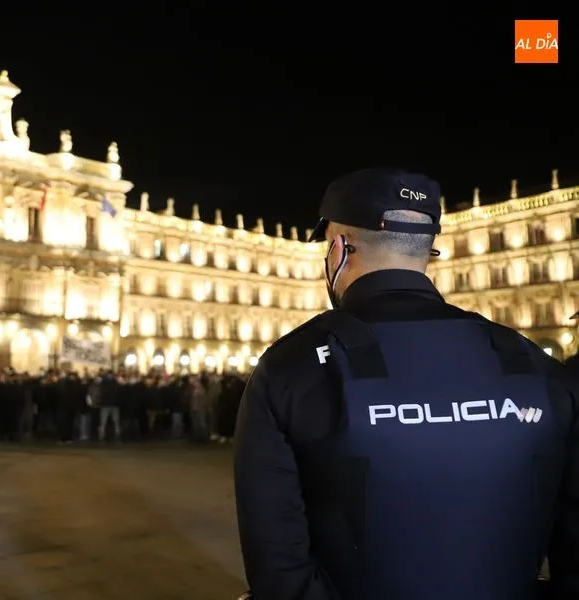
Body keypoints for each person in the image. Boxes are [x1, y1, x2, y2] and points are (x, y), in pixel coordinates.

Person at [233, 168, 579, 600]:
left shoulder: (291, 366)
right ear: (428, 248)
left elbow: (278, 569)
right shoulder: (533, 362)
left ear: (338, 248)